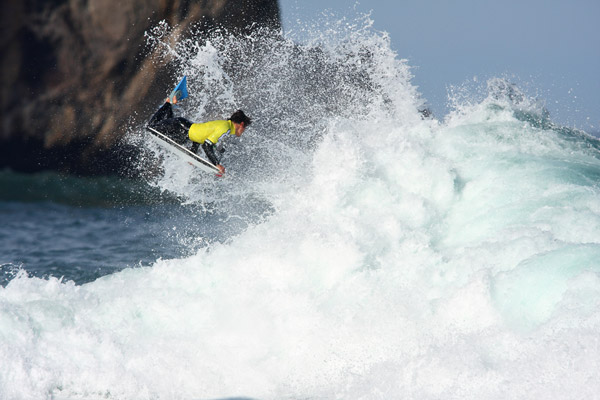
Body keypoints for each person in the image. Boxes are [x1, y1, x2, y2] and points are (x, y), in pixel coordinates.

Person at [147, 89, 252, 176]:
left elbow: (199, 138)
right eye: (245, 128)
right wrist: (216, 164)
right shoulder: (225, 128)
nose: (243, 132)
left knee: (170, 134)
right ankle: (168, 103)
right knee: (151, 126)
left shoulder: (226, 126)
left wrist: (192, 155)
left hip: (184, 131)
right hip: (180, 127)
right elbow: (206, 145)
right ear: (241, 124)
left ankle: (171, 103)